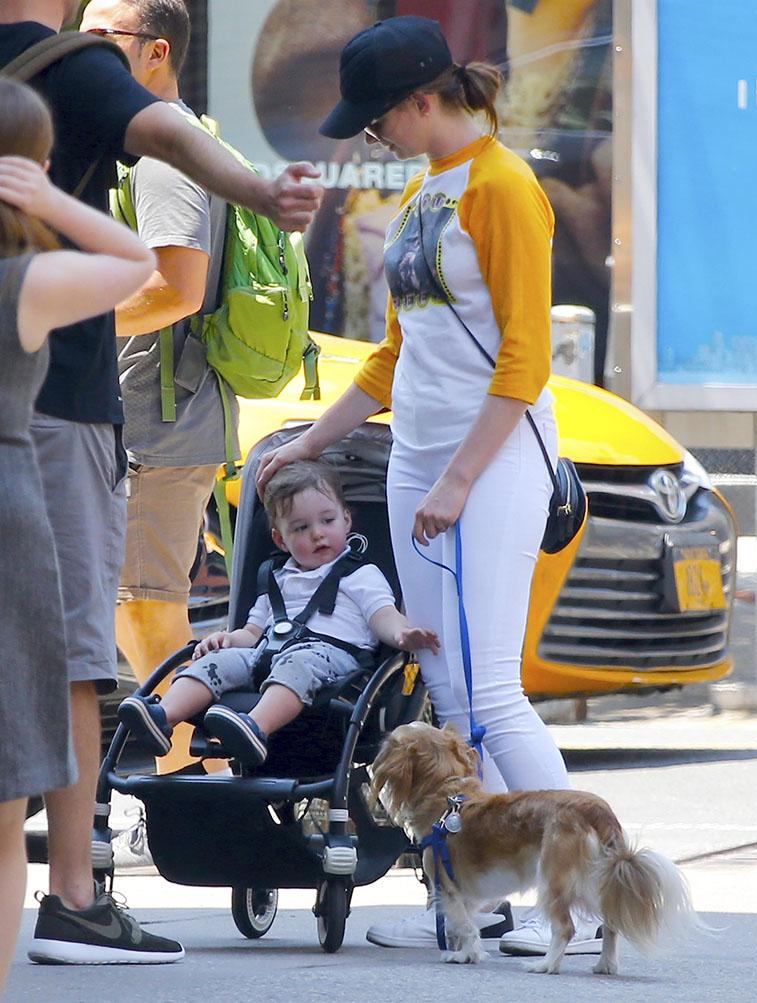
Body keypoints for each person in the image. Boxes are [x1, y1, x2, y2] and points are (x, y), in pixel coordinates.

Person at [256, 15, 602, 956]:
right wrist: (308, 441)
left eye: (377, 120)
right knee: (447, 685)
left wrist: (455, 478)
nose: (375, 136)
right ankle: (477, 896)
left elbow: (525, 360)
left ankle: (585, 894)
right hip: (425, 460)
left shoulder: (502, 185)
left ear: (422, 99)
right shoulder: (425, 191)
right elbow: (394, 355)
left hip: (491, 459)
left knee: (489, 689)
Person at [0, 0, 322, 967]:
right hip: (57, 426)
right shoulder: (65, 68)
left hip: (140, 424)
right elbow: (157, 262)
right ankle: (73, 890)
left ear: (156, 48)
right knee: (65, 663)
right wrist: (267, 194)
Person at [0, 79, 167, 986]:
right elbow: (136, 262)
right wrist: (50, 198)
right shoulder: (23, 285)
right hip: (12, 501)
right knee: (18, 752)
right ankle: (64, 901)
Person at [79, 0, 232, 778]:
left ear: (155, 51)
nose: (85, 50)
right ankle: (189, 778)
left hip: (160, 419)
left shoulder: (166, 154)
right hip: (155, 414)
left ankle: (193, 783)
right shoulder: (153, 142)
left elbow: (178, 287)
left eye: (102, 38)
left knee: (146, 605)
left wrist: (71, 314)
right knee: (132, 605)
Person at [118, 460, 440, 767]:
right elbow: (252, 633)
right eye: (301, 528)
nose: (317, 534)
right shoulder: (277, 577)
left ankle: (255, 727)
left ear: (346, 520)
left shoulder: (360, 575)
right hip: (267, 653)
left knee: (296, 664)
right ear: (280, 539)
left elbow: (381, 614)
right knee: (213, 663)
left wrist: (402, 632)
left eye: (327, 521)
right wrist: (226, 640)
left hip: (331, 662)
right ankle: (163, 718)